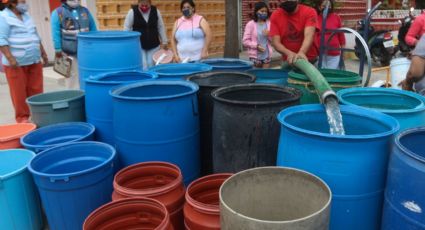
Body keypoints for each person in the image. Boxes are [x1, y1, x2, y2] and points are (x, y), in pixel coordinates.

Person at [0, 0, 48, 123]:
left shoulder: (27, 16)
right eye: (22, 1)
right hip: (16, 64)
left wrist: (43, 52)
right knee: (19, 93)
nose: (25, 3)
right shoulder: (3, 17)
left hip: (34, 60)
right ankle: (23, 119)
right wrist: (11, 58)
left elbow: (35, 36)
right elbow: (1, 40)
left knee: (36, 90)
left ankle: (38, 115)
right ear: (12, 3)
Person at [51, 0, 97, 89]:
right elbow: (55, 33)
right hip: (69, 52)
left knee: (87, 76)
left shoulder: (85, 11)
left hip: (87, 51)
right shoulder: (58, 13)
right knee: (72, 78)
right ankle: (74, 99)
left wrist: (96, 45)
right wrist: (57, 49)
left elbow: (93, 29)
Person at [270, 0, 319, 65]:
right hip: (288, 61)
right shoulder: (275, 15)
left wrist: (302, 52)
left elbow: (309, 35)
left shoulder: (309, 11)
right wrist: (290, 54)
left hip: (309, 60)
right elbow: (276, 43)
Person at [124, 0, 168, 70]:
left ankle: (153, 80)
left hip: (154, 44)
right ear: (138, 3)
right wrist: (127, 43)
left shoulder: (156, 11)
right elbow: (127, 28)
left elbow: (160, 26)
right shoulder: (132, 12)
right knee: (143, 64)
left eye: (146, 5)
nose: (144, 7)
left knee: (152, 64)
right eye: (142, 5)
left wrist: (164, 41)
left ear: (150, 3)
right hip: (139, 45)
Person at [315, 0, 345, 69]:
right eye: (324, 6)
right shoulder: (316, 18)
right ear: (319, 7)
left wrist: (343, 52)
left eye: (329, 6)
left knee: (332, 74)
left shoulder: (336, 17)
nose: (327, 8)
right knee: (322, 74)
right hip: (320, 53)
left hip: (334, 53)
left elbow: (341, 36)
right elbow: (313, 36)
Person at [243, 1, 273, 68]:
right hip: (255, 56)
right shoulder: (250, 24)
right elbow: (245, 41)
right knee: (256, 76)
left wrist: (269, 34)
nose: (264, 13)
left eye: (266, 11)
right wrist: (256, 46)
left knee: (265, 76)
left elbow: (272, 41)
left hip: (267, 55)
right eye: (262, 11)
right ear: (256, 12)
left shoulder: (269, 24)